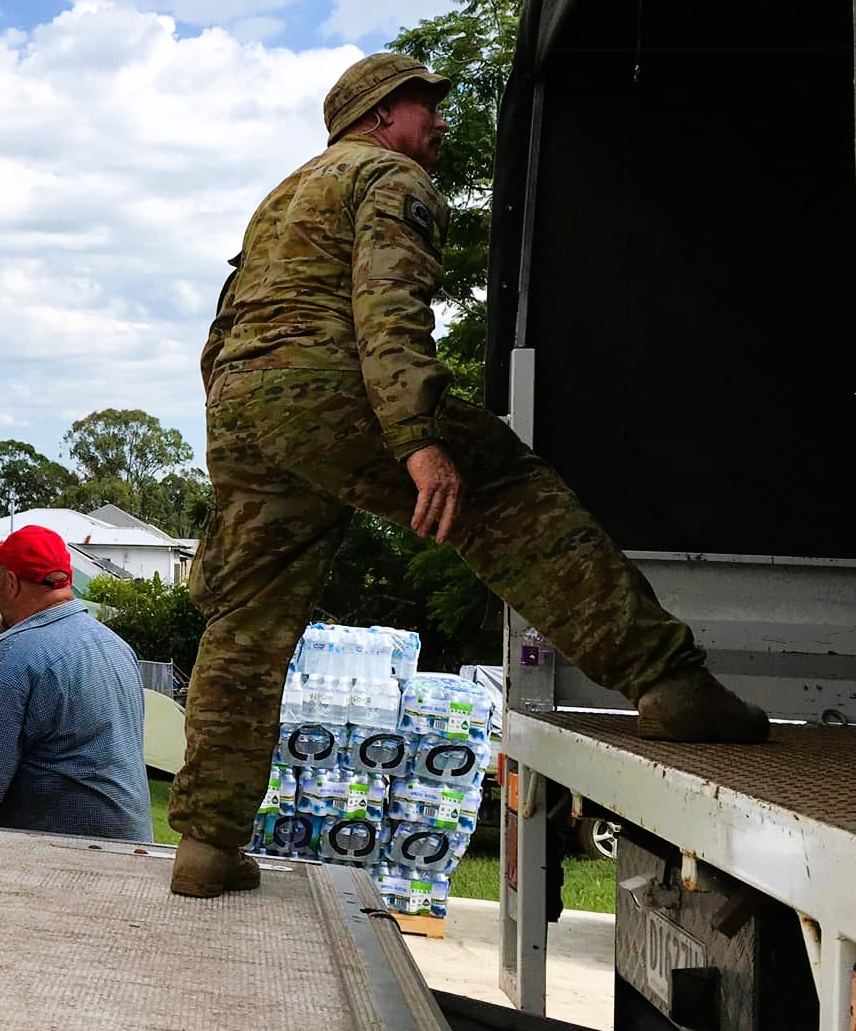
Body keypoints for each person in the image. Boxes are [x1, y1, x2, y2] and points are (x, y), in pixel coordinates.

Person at [166, 52, 770, 898]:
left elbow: (223, 325)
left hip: (243, 403)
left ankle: (206, 845)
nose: (441, 124)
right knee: (517, 501)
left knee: (247, 622)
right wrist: (415, 435)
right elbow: (387, 306)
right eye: (426, 108)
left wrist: (242, 443)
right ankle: (668, 682)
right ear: (379, 117)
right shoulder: (386, 176)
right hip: (334, 385)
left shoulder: (281, 198)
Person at [0, 525, 153, 841]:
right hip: (133, 847)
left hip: (63, 855)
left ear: (10, 582)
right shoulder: (116, 646)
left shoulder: (13, 655)